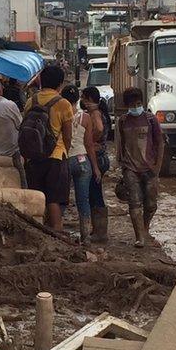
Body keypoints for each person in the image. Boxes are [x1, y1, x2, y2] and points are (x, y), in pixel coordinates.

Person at [24, 65, 73, 231]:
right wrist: (65, 151)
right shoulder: (63, 104)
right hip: (56, 156)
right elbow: (67, 135)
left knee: (37, 197)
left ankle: (39, 232)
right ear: (60, 84)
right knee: (54, 198)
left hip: (34, 156)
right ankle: (57, 232)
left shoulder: (32, 101)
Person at [116, 87, 164, 248]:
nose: (135, 107)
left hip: (150, 168)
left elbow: (160, 143)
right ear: (127, 105)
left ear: (141, 103)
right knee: (134, 203)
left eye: (137, 104)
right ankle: (139, 237)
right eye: (132, 105)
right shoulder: (122, 121)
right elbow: (120, 144)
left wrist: (157, 167)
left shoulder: (151, 120)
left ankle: (145, 227)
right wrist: (121, 165)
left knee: (151, 205)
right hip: (130, 168)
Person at [61, 85, 101, 245]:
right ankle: (86, 237)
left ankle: (56, 231)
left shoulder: (59, 115)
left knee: (61, 198)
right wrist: (96, 168)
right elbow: (89, 144)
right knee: (83, 200)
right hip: (83, 161)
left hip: (64, 160)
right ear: (78, 99)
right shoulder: (85, 117)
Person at [81, 86, 112, 243]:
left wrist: (90, 140)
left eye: (84, 99)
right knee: (96, 192)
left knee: (95, 194)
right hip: (102, 157)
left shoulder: (94, 113)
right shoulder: (99, 111)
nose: (82, 102)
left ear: (89, 99)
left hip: (97, 158)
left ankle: (100, 232)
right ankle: (98, 230)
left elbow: (99, 128)